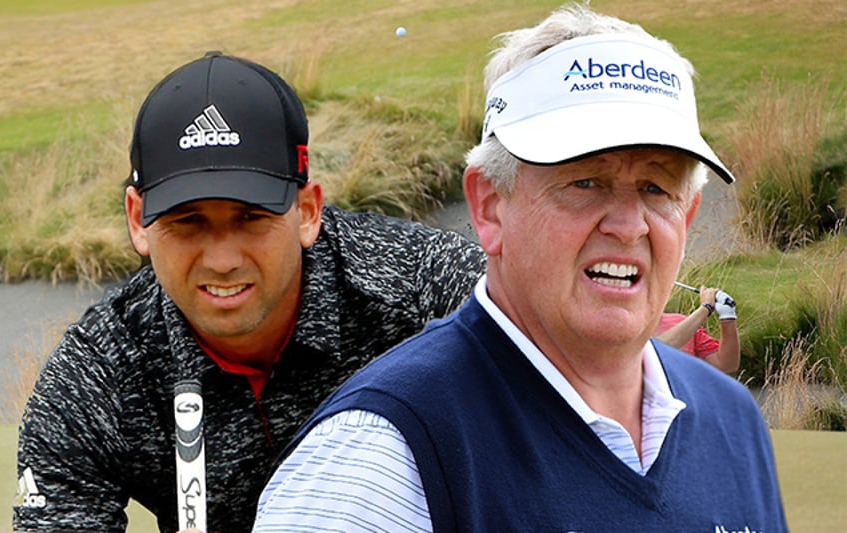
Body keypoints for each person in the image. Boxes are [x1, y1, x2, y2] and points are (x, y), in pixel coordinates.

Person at [254, 4, 786, 531]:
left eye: (656, 187)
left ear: (686, 215)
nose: (630, 226)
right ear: (489, 206)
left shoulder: (733, 419)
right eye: (585, 182)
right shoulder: (377, 463)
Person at [12, 52, 486, 532]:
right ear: (138, 220)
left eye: (251, 217)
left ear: (306, 211)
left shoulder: (426, 290)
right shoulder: (99, 372)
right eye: (188, 221)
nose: (222, 260)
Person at [655, 285, 740, 372]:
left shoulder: (684, 322)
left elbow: (726, 365)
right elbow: (656, 350)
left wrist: (727, 316)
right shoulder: (690, 324)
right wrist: (706, 308)